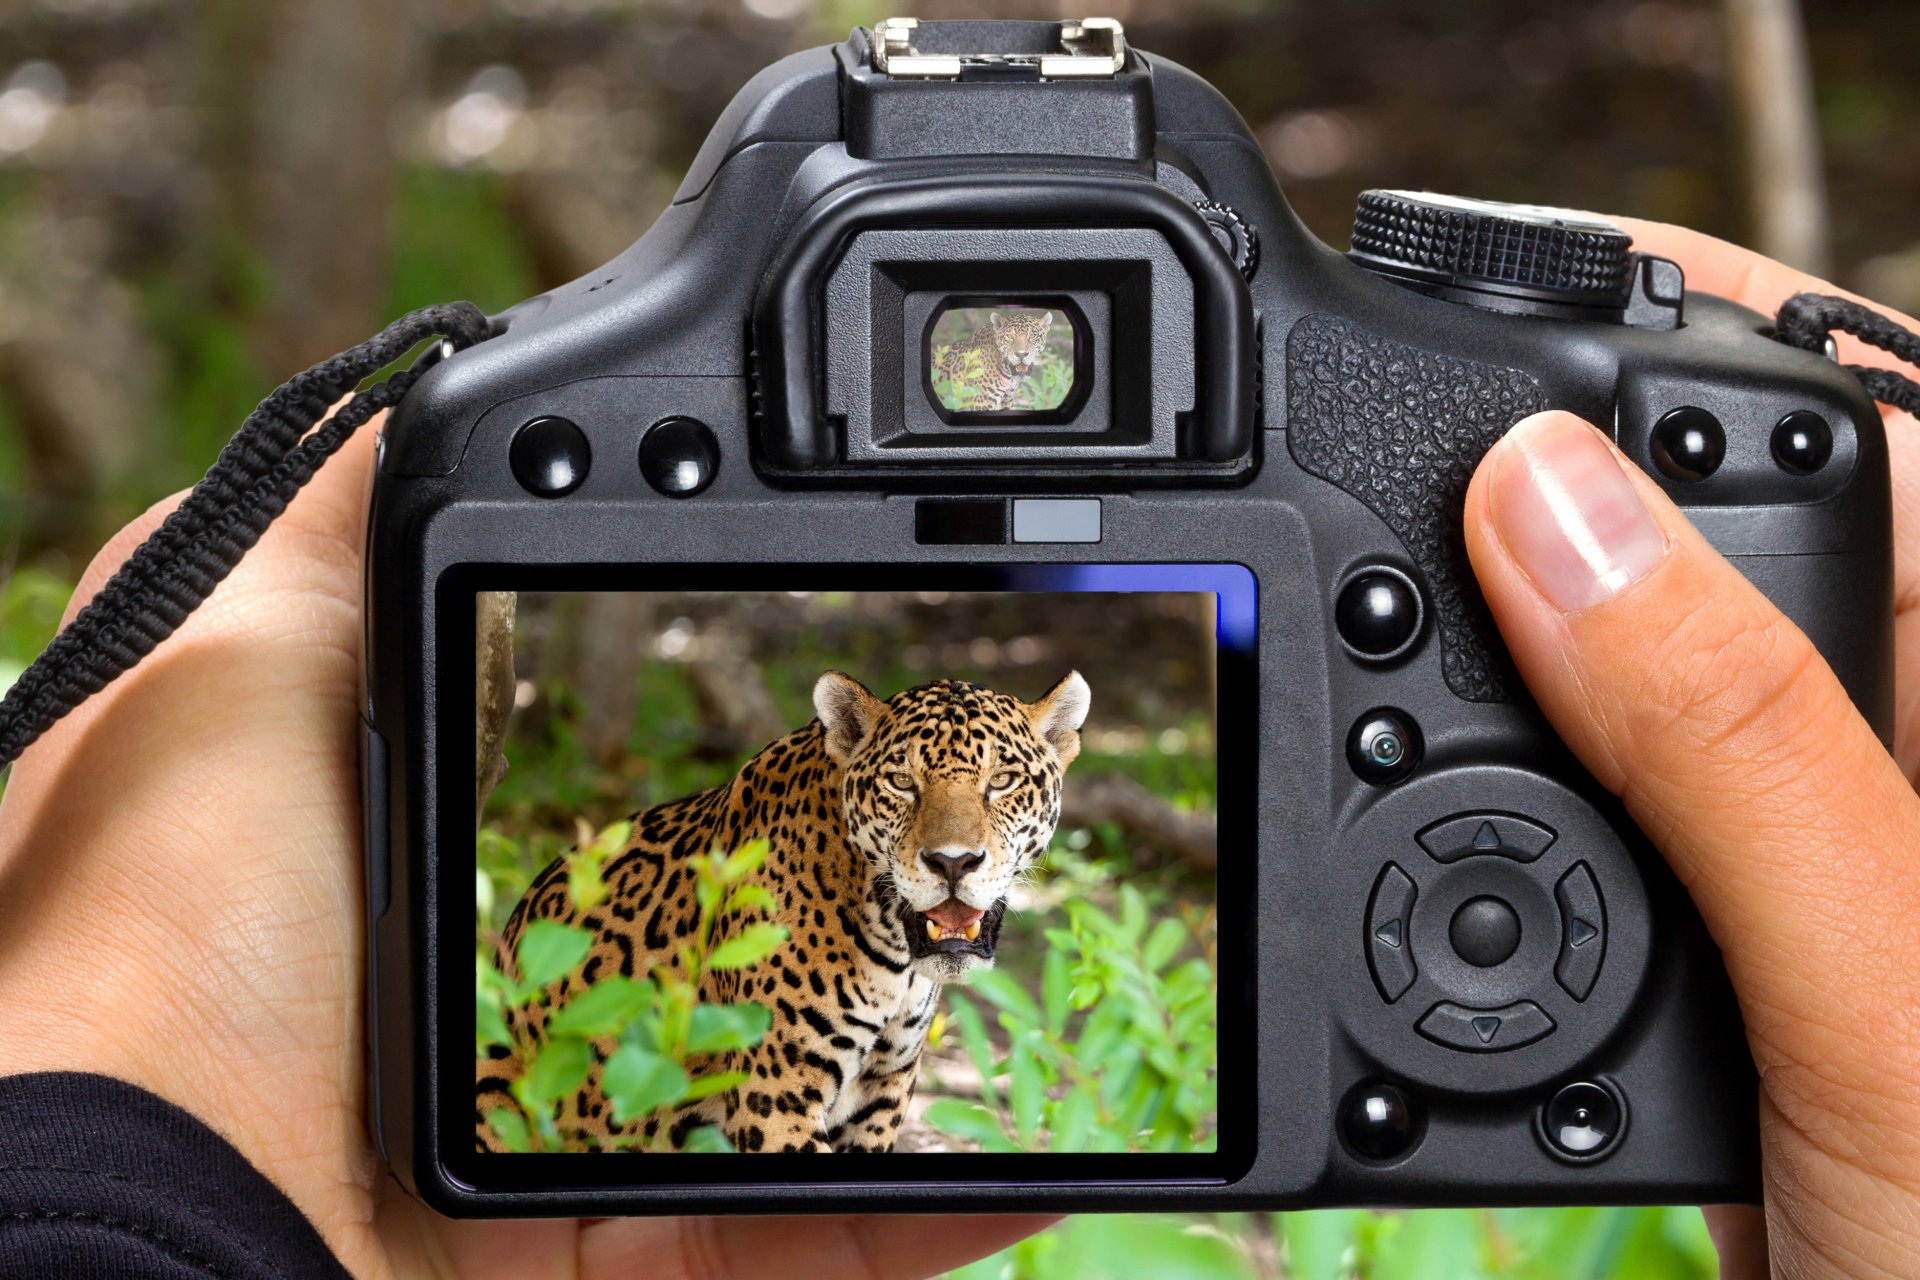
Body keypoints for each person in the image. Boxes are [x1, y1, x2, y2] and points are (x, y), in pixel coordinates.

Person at [0, 219, 1913, 1280]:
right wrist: (126, 1148)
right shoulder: (802, 867)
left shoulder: (941, 868)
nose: (944, 843)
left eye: (988, 812)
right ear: (850, 776)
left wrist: (105, 1169)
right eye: (912, 806)